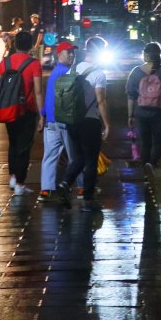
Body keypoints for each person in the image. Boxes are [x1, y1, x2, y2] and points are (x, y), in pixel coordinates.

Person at [56, 36, 110, 212]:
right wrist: (107, 124)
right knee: (91, 161)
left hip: (72, 120)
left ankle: (65, 182)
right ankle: (87, 199)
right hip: (90, 121)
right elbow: (101, 101)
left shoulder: (74, 69)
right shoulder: (98, 74)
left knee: (78, 157)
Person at [0, 31, 44, 195]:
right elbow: (38, 91)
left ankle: (12, 178)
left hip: (9, 108)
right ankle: (20, 183)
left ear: (15, 45)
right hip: (27, 110)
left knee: (13, 144)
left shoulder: (5, 62)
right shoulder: (34, 64)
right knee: (24, 147)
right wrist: (41, 114)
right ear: (31, 45)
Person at [126, 42, 161, 177]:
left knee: (145, 143)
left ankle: (145, 170)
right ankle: (152, 164)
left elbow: (131, 95)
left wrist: (130, 116)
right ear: (159, 55)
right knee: (159, 142)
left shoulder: (136, 72)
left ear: (145, 55)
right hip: (158, 112)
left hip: (140, 112)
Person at [38, 41, 83, 201]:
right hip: (64, 121)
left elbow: (49, 96)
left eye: (73, 52)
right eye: (68, 52)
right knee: (76, 156)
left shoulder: (55, 72)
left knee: (50, 156)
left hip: (51, 121)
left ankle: (46, 189)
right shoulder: (69, 73)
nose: (71, 54)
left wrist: (42, 115)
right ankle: (81, 188)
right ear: (59, 54)